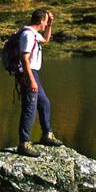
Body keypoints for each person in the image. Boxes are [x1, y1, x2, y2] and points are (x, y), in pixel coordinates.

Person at [16, 8, 62, 157]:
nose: (47, 23)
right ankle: (24, 143)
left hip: (33, 74)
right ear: (41, 20)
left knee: (44, 103)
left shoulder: (34, 34)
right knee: (30, 108)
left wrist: (50, 25)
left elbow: (46, 40)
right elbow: (24, 58)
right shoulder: (28, 35)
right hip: (28, 74)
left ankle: (46, 135)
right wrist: (31, 80)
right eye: (46, 21)